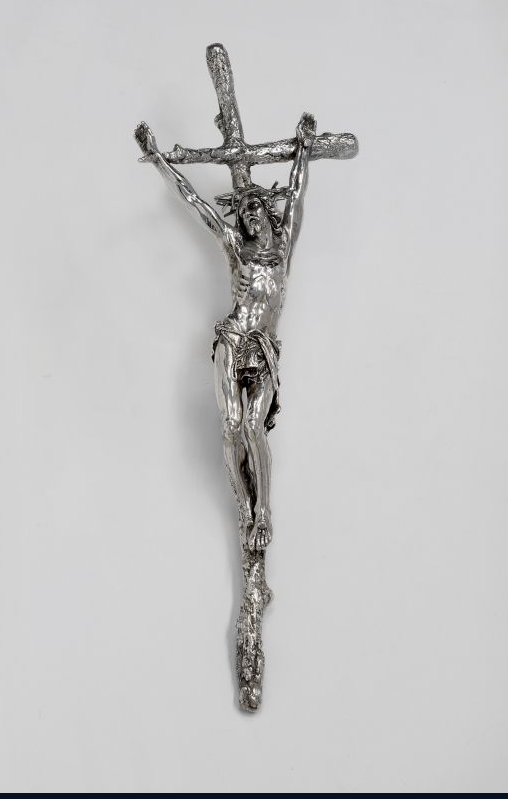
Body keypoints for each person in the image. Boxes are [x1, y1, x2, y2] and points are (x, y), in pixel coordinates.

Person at [135, 112, 316, 552]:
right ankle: (244, 508)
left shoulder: (284, 247)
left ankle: (263, 511)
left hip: (263, 349)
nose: (250, 217)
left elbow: (296, 193)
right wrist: (158, 159)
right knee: (232, 426)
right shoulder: (236, 249)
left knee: (255, 427)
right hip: (232, 342)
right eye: (245, 212)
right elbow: (196, 204)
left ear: (267, 212)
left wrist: (305, 148)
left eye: (256, 209)